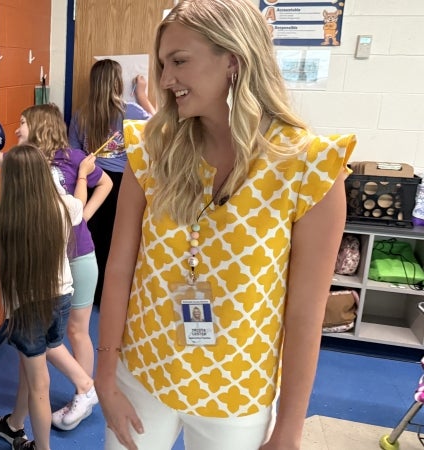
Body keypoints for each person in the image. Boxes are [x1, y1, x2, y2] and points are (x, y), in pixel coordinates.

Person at [94, 1, 356, 450]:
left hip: (238, 393)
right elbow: (119, 268)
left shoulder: (307, 167)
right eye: (162, 63)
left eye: (179, 61)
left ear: (233, 59)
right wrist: (104, 378)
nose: (165, 79)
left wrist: (289, 430)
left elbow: (305, 313)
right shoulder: (151, 150)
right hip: (143, 372)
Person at [0, 95, 108, 430]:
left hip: (77, 256)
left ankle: (81, 393)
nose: (17, 128)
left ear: (40, 126)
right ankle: (18, 421)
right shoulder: (23, 159)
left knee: (70, 332)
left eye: (24, 122)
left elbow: (103, 186)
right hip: (49, 262)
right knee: (37, 348)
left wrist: (81, 216)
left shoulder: (72, 158)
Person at [0, 144, 84, 450]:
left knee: (39, 382)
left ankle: (41, 447)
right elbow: (79, 206)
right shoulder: (65, 206)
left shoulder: (1, 213)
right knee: (32, 365)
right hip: (61, 297)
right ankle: (15, 424)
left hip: (28, 309)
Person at [68, 58, 155, 308]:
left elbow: (74, 152)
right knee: (120, 241)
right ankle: (114, 295)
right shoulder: (133, 112)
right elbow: (161, 125)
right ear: (118, 83)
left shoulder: (81, 115)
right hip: (123, 185)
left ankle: (91, 294)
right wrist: (142, 95)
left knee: (93, 239)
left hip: (91, 182)